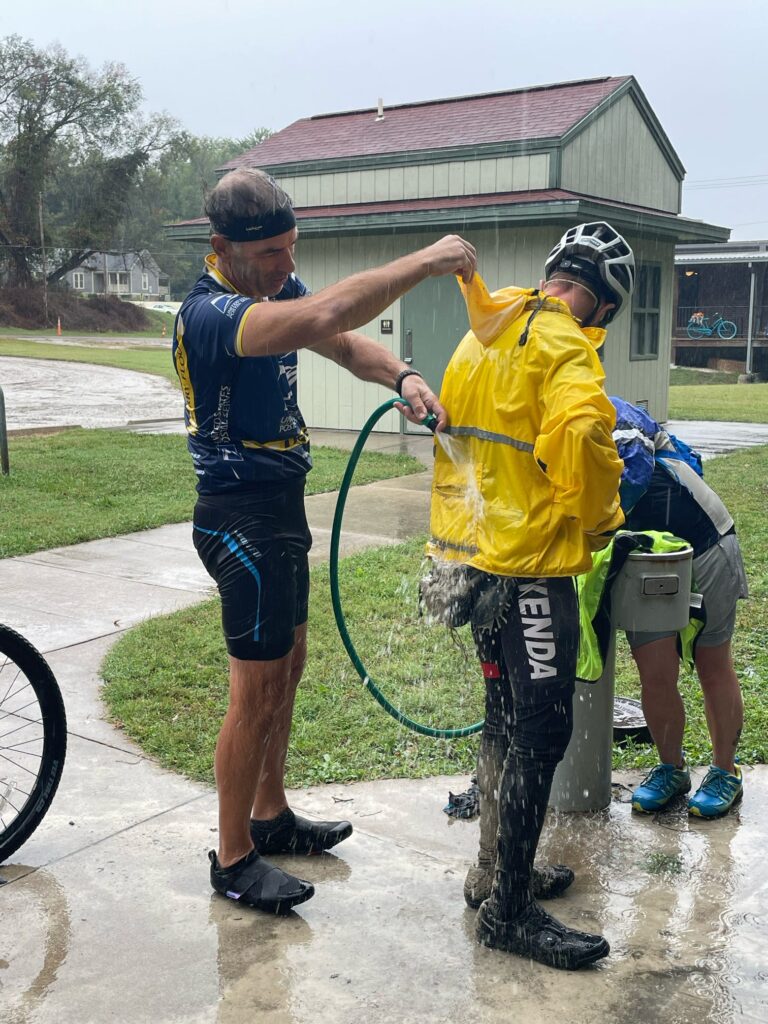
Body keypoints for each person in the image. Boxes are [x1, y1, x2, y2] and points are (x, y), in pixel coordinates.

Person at [173, 167, 476, 914]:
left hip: (278, 508)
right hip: (237, 516)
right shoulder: (212, 315)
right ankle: (234, 855)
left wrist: (403, 377)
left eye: (290, 248)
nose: (285, 266)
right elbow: (325, 316)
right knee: (256, 689)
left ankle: (270, 816)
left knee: (290, 666)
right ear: (223, 246)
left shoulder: (272, 289)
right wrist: (427, 261)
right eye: (270, 254)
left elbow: (342, 343)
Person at [425, 222, 633, 970]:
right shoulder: (564, 343)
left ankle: (493, 871)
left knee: (502, 720)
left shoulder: (484, 330)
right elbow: (580, 436)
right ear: (603, 304)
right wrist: (601, 516)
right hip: (529, 567)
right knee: (540, 734)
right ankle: (510, 910)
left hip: (468, 560)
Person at [610, 398, 747, 818]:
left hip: (707, 542)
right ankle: (672, 768)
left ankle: (726, 772)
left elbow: (630, 478)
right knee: (654, 670)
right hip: (648, 557)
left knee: (712, 662)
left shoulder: (612, 413)